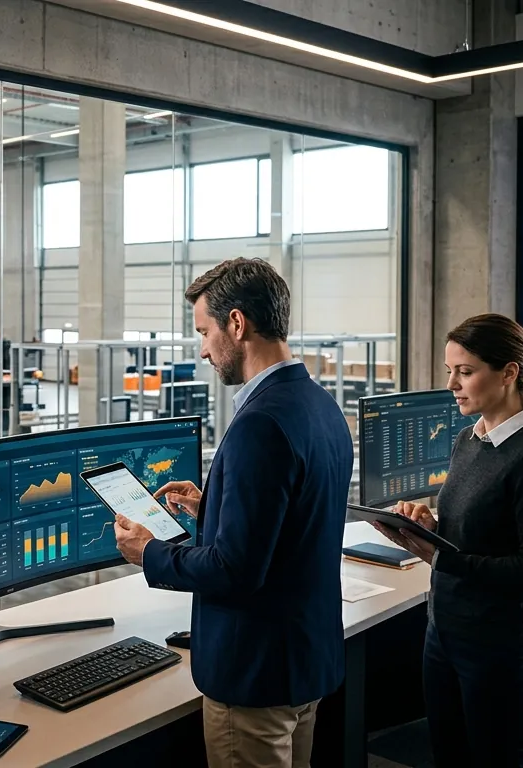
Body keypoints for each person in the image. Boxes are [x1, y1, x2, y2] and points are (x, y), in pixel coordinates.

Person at [113, 257, 354, 768]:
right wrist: (215, 506)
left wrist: (149, 553)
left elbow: (235, 570)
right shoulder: (319, 405)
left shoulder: (258, 424)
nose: (202, 350)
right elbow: (297, 516)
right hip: (304, 659)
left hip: (254, 675)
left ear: (237, 324)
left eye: (204, 331)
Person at [372, 313, 523, 768]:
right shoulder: (469, 439)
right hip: (445, 635)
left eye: (465, 372)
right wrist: (429, 527)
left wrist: (441, 557)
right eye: (450, 372)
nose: (453, 384)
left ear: (509, 373)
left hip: (500, 650)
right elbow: (476, 532)